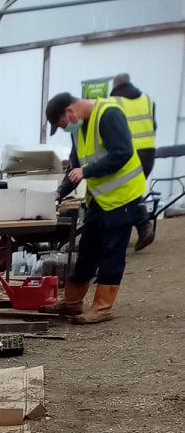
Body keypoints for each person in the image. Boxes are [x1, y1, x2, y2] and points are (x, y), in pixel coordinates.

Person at [45, 90, 147, 324]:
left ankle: (102, 307)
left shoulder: (108, 115)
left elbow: (123, 152)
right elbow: (76, 166)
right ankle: (71, 302)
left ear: (70, 111)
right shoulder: (78, 129)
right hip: (100, 199)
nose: (64, 129)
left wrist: (87, 172)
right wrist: (60, 192)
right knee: (88, 247)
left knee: (112, 251)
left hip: (123, 196)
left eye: (62, 124)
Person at [111, 72, 157, 250]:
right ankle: (141, 227)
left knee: (126, 192)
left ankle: (143, 226)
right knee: (131, 191)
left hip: (128, 153)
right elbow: (154, 125)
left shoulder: (114, 102)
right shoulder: (147, 100)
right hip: (149, 153)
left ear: (115, 87)